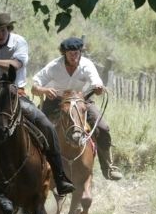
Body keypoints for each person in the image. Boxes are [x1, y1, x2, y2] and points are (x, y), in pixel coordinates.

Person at [0, 12, 75, 203]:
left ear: (8, 29)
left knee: (47, 126)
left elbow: (16, 64)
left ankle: (60, 177)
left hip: (16, 95)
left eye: (2, 30)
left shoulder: (19, 42)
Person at [31, 36, 123, 181]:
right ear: (64, 53)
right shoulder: (54, 66)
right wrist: (44, 90)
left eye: (77, 53)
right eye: (71, 53)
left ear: (80, 52)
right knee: (35, 126)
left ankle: (108, 167)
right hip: (56, 100)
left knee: (103, 127)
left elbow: (96, 83)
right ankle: (33, 165)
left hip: (81, 100)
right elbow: (35, 86)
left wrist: (98, 88)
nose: (74, 56)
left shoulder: (87, 65)